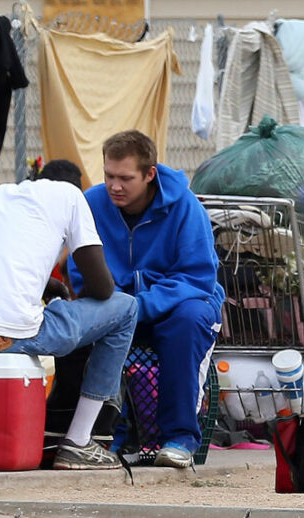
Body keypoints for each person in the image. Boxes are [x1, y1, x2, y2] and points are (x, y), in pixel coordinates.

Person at [0, 159, 139, 470]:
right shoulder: (71, 196)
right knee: (125, 308)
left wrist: (45, 285)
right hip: (2, 337)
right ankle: (79, 441)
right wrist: (72, 305)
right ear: (77, 187)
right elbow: (103, 288)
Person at [68, 130, 225, 468]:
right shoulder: (91, 204)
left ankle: (180, 439)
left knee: (187, 322)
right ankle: (100, 436)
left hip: (181, 305)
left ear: (150, 174)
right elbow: (80, 276)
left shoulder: (186, 207)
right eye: (109, 175)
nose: (115, 186)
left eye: (125, 178)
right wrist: (119, 307)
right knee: (74, 324)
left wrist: (139, 306)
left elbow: (198, 277)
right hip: (119, 305)